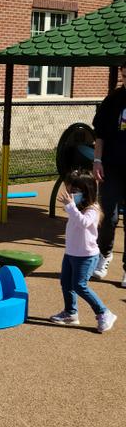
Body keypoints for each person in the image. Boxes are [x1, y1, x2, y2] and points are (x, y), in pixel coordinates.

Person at [50, 170, 117, 333]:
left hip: (86, 256)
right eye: (69, 191)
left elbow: (84, 223)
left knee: (79, 286)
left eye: (74, 191)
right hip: (71, 253)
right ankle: (70, 313)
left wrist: (71, 206)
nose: (70, 194)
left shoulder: (92, 209)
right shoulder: (77, 206)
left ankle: (104, 312)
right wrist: (71, 204)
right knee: (66, 283)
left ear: (86, 192)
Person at [92, 62, 126, 285]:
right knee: (109, 217)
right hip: (111, 167)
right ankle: (104, 255)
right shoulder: (113, 100)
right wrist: (97, 160)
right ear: (123, 72)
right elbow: (100, 134)